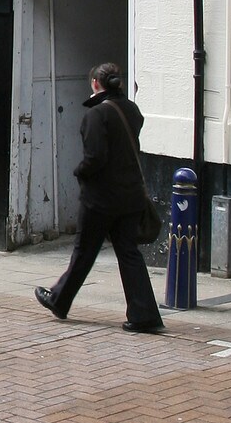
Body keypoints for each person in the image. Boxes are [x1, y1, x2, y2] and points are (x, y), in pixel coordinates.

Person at [35, 62, 165, 334]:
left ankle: (59, 300)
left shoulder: (97, 115)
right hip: (130, 196)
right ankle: (145, 314)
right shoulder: (131, 110)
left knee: (84, 251)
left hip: (101, 199)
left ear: (95, 83)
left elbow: (94, 158)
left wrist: (79, 171)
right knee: (129, 253)